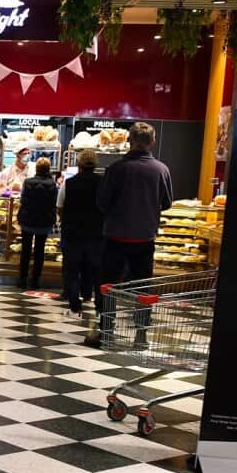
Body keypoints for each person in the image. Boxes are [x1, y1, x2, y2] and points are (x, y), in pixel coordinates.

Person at [89, 122, 173, 346]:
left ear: (129, 141)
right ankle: (141, 334)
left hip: (115, 236)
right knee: (143, 287)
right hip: (144, 237)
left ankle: (106, 330)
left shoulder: (116, 169)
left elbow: (102, 203)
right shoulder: (161, 170)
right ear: (152, 142)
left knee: (108, 286)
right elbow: (166, 203)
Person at [58, 150, 105, 319]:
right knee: (97, 272)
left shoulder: (69, 183)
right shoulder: (103, 184)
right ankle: (100, 309)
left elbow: (60, 206)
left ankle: (75, 308)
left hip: (73, 234)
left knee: (72, 272)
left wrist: (67, 221)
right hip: (96, 235)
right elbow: (107, 207)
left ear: (79, 165)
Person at [17, 157, 59, 290]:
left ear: (36, 169)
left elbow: (23, 200)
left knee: (26, 250)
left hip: (28, 220)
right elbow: (55, 203)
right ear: (48, 169)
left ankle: (22, 279)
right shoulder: (53, 185)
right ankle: (35, 280)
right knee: (39, 251)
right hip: (44, 222)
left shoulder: (27, 182)